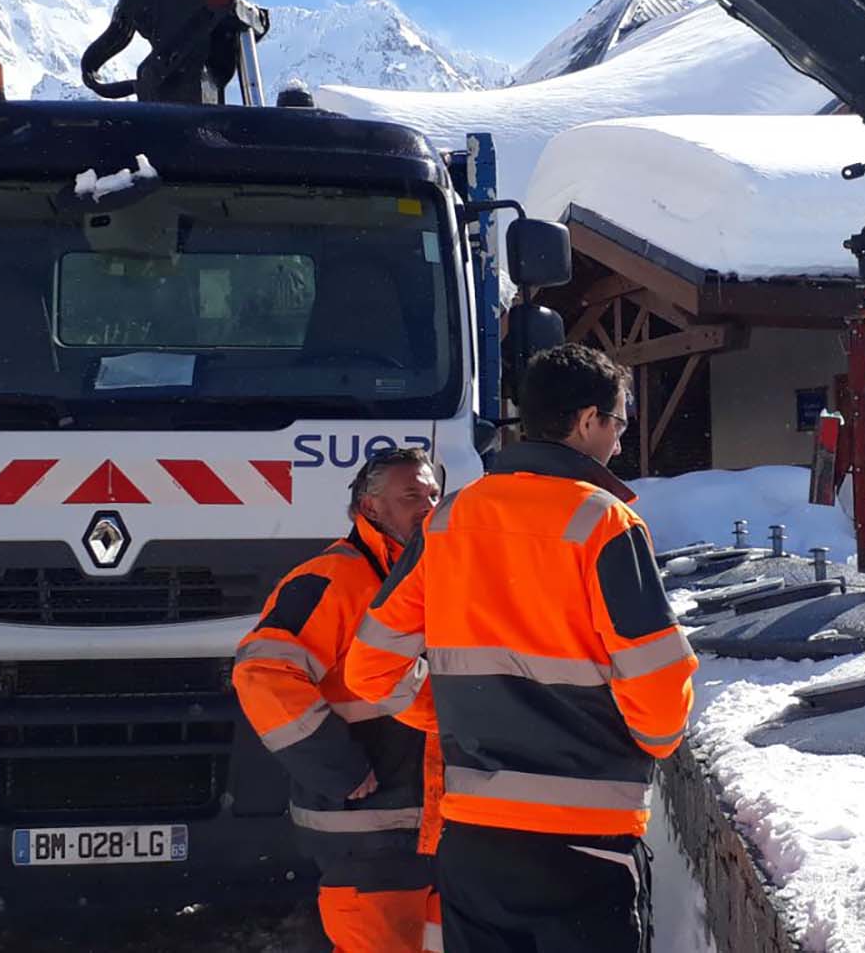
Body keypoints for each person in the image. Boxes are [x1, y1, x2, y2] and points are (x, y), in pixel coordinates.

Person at [346, 344, 698, 953]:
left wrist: (458, 713)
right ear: (587, 420)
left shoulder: (448, 521)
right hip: (585, 839)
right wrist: (654, 742)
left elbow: (371, 668)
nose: (618, 440)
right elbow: (658, 679)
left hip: (476, 840)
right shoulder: (603, 523)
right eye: (618, 421)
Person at [234, 447, 444, 953]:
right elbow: (260, 674)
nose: (428, 506)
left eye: (433, 493)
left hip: (431, 830)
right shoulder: (332, 578)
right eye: (411, 495)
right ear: (369, 509)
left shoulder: (430, 576)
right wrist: (337, 766)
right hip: (368, 832)